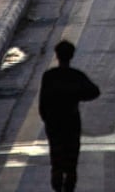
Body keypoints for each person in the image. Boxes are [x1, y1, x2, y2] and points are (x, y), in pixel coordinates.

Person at [39, 40, 101, 192]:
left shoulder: (49, 76)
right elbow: (94, 92)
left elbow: (43, 103)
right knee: (71, 162)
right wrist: (77, 95)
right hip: (72, 123)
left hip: (54, 124)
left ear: (57, 56)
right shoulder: (76, 76)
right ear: (71, 55)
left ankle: (57, 187)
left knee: (57, 161)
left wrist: (48, 120)